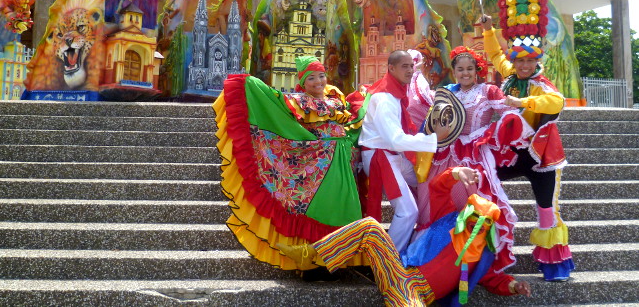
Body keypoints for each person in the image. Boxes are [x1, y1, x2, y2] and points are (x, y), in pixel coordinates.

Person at [277, 166, 531, 306]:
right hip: (398, 270)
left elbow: (493, 280)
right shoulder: (447, 219)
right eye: (475, 216)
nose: (478, 224)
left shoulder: (482, 256)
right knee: (370, 227)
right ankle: (310, 255)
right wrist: (456, 173)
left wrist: (514, 286)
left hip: (415, 294)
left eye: (484, 223)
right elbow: (437, 187)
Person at [214, 55, 364, 270]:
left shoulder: (335, 99)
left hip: (343, 161)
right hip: (321, 165)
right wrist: (249, 84)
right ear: (303, 83)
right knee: (320, 210)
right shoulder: (299, 101)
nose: (318, 81)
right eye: (311, 78)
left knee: (345, 207)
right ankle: (313, 263)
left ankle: (341, 259)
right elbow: (273, 102)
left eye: (321, 75)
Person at [408, 46, 535, 273]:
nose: (465, 73)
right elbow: (431, 116)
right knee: (435, 199)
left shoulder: (488, 91)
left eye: (469, 69)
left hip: (474, 154)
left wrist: (488, 132)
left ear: (477, 70)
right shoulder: (447, 92)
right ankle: (434, 257)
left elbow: (510, 113)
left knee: (476, 201)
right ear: (454, 71)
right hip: (445, 153)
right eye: (460, 69)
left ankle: (478, 259)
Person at [482, 13, 574, 281]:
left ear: (537, 61)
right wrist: (489, 30)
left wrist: (522, 103)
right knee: (484, 180)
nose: (523, 66)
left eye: (529, 60)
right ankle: (485, 251)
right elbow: (496, 55)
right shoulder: (510, 75)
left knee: (547, 208)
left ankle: (554, 265)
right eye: (519, 60)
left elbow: (556, 102)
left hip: (542, 156)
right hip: (513, 154)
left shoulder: (542, 85)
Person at [357, 50, 446, 252]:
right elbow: (395, 140)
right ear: (391, 68)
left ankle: (420, 238)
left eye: (411, 65)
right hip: (382, 157)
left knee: (425, 180)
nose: (410, 70)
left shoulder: (395, 91)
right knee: (407, 212)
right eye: (404, 66)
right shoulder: (386, 98)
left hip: (389, 155)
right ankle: (389, 260)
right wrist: (434, 139)